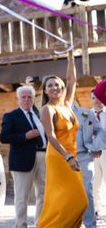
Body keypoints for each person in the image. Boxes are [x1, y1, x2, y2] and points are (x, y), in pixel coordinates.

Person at [37, 53, 88, 227]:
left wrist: (71, 57)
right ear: (45, 90)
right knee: (78, 201)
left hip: (72, 157)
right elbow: (50, 136)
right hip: (59, 158)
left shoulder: (66, 104)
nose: (54, 87)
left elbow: (71, 80)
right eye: (50, 85)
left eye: (57, 84)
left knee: (74, 201)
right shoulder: (47, 109)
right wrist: (67, 157)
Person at [0, 85, 47, 228]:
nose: (27, 100)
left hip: (43, 157)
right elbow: (4, 137)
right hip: (22, 160)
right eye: (24, 97)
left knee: (44, 194)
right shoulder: (11, 116)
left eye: (29, 97)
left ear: (33, 99)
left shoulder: (38, 114)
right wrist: (24, 136)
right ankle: (21, 225)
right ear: (18, 99)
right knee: (21, 197)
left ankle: (40, 224)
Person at [73, 99, 106, 228]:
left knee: (87, 191)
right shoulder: (50, 111)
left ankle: (91, 224)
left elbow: (99, 131)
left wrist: (96, 146)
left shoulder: (84, 113)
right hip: (59, 158)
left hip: (84, 156)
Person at [91, 89, 106, 213]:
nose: (96, 101)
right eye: (93, 98)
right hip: (92, 153)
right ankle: (97, 209)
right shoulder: (86, 115)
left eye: (98, 98)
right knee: (94, 182)